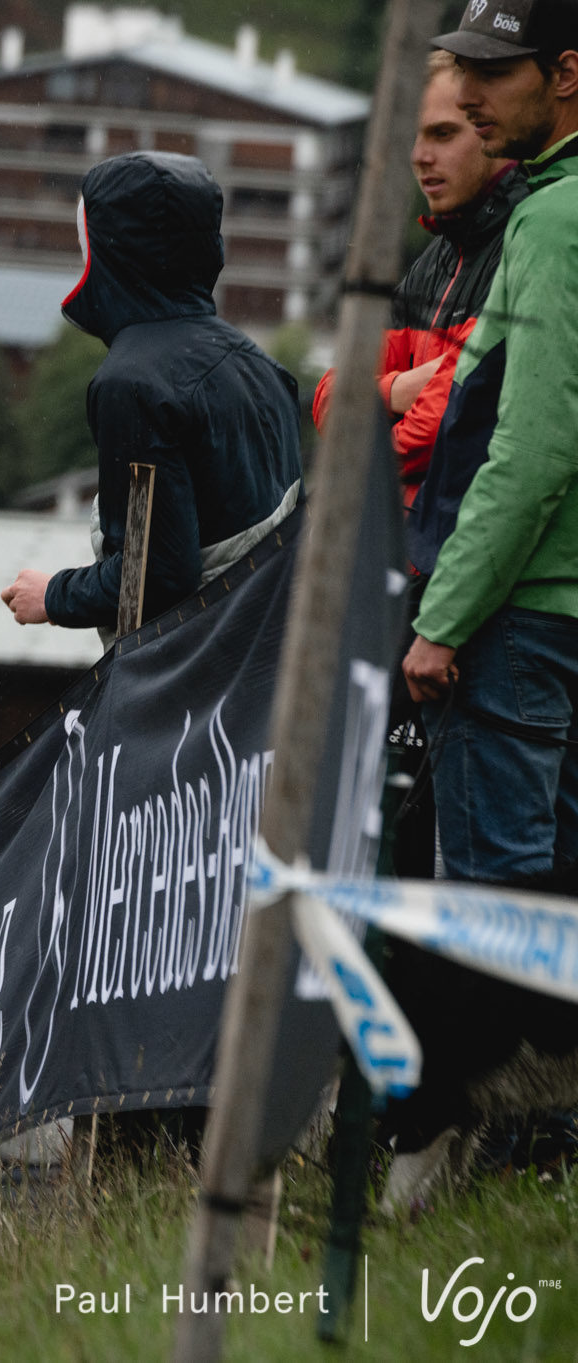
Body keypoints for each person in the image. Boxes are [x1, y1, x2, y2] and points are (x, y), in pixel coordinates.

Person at [402, 0, 578, 883]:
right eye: (462, 69)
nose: (471, 95)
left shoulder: (552, 221)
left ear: (567, 77)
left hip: (519, 616)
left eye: (496, 73)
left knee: (489, 914)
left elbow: (533, 446)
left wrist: (445, 619)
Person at [0, 152, 303, 633]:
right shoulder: (262, 366)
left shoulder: (133, 386)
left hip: (192, 681)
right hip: (264, 656)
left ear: (109, 254)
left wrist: (52, 595)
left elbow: (153, 576)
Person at [312, 51, 524, 508]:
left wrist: (376, 402)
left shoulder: (521, 248)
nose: (419, 156)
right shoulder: (437, 259)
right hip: (412, 553)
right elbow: (333, 394)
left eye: (443, 134)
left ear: (492, 131)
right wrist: (398, 389)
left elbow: (444, 428)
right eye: (415, 137)